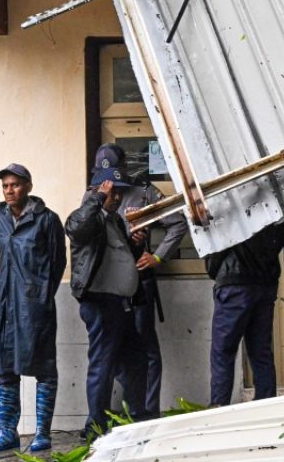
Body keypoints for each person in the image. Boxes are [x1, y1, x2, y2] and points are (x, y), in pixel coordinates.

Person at [94, 144, 189, 419]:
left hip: (138, 282)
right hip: (108, 286)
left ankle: (148, 412)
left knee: (146, 349)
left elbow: (178, 223)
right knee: (111, 350)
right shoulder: (91, 195)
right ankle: (119, 413)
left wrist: (158, 257)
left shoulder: (144, 192)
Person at [0, 164, 67, 455]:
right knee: (6, 367)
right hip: (5, 303)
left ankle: (42, 433)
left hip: (35, 305)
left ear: (28, 186)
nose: (9, 191)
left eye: (15, 185)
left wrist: (41, 294)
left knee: (43, 367)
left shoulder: (47, 220)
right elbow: (5, 257)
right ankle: (7, 433)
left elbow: (57, 264)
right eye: (5, 186)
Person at [66, 162, 149, 436]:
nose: (118, 198)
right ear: (99, 191)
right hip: (100, 303)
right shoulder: (88, 217)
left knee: (136, 360)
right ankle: (94, 425)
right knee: (102, 363)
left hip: (120, 304)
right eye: (114, 193)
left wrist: (136, 243)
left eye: (120, 193)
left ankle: (135, 417)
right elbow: (75, 228)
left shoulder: (114, 220)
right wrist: (97, 198)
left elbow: (120, 260)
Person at [206, 221, 284, 406]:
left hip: (234, 282)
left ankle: (219, 408)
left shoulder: (229, 206)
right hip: (265, 283)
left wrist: (215, 270)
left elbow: (215, 246)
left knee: (224, 351)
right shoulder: (271, 207)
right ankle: (266, 405)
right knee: (261, 351)